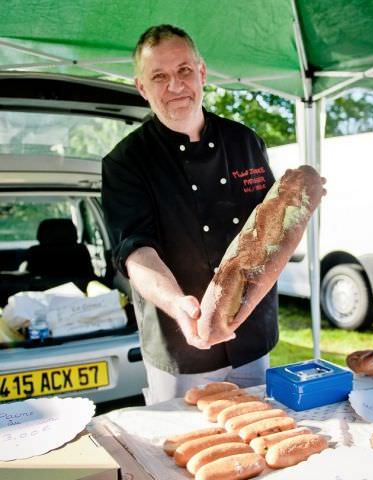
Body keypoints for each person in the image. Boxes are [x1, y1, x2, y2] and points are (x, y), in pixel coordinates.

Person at [102, 24, 280, 404]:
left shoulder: (244, 141)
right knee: (186, 451)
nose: (175, 86)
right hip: (181, 343)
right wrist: (177, 303)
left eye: (183, 71)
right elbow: (136, 251)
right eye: (159, 77)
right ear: (142, 88)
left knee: (262, 437)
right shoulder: (125, 162)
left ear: (201, 73)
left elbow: (271, 227)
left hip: (252, 336)